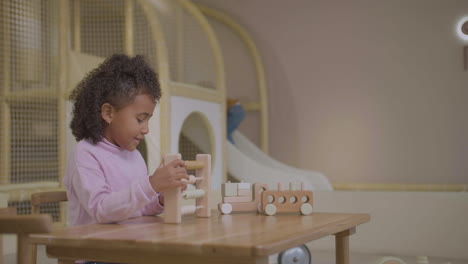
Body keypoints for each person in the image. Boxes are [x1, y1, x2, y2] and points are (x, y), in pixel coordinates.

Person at [64, 54, 189, 226]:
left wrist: (161, 197)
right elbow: (101, 209)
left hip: (127, 243)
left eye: (148, 120)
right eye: (140, 119)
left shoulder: (135, 156)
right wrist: (151, 184)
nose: (146, 129)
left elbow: (139, 209)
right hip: (91, 249)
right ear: (109, 113)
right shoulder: (85, 154)